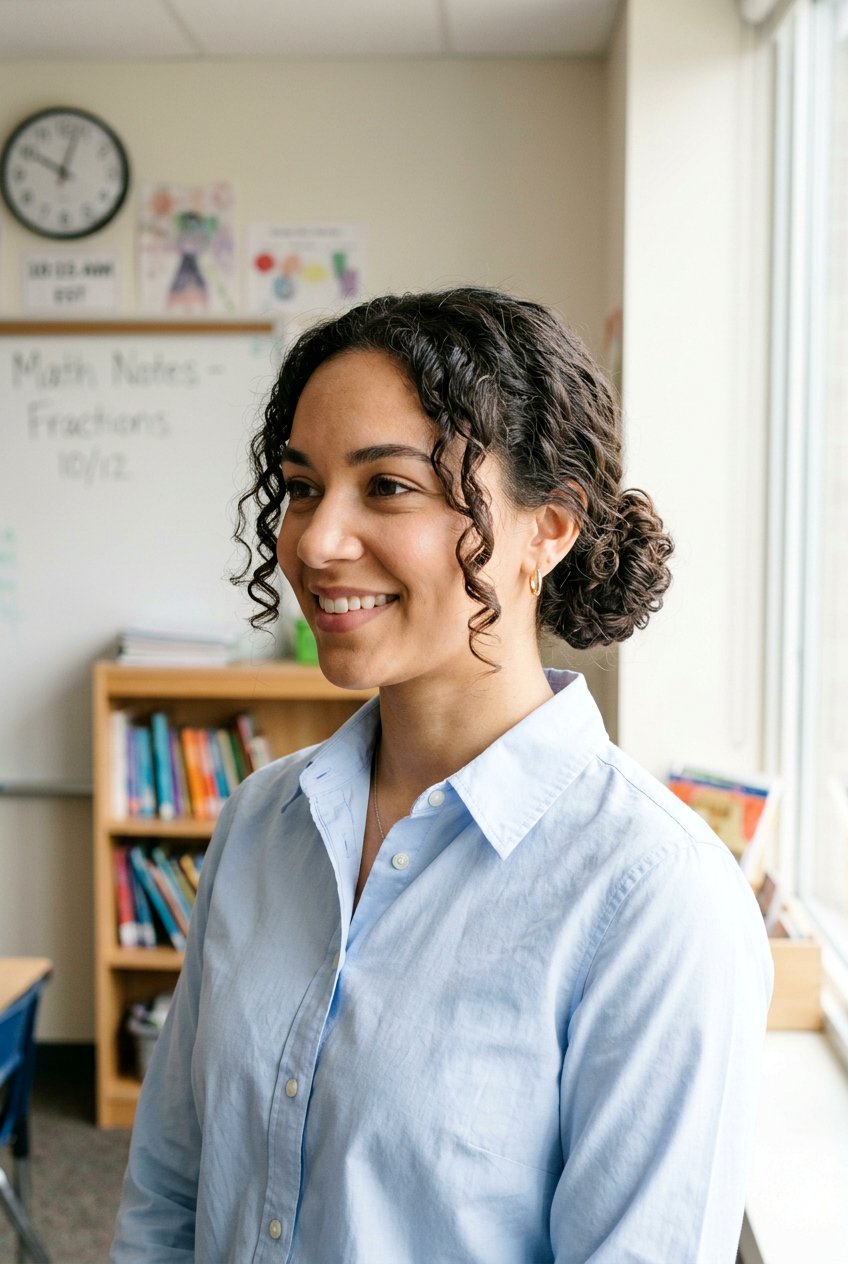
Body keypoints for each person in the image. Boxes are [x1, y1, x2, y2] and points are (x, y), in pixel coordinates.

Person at [110, 286, 772, 1264]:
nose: (315, 542)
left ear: (545, 530)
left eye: (387, 488)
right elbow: (170, 1190)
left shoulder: (655, 896)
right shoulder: (261, 818)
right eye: (300, 486)